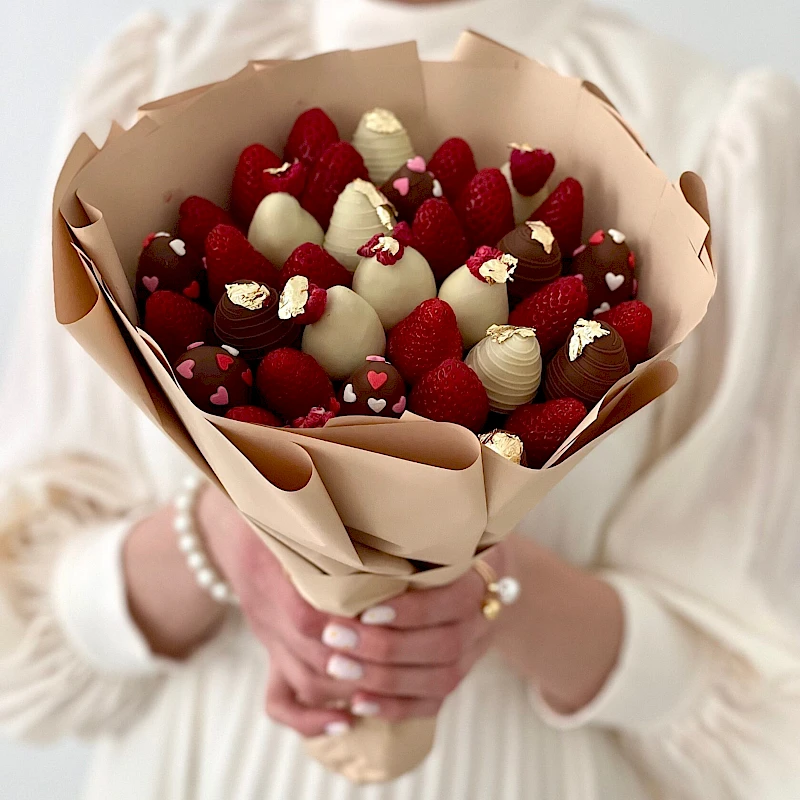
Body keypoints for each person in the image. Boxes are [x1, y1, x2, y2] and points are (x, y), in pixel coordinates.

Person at [1, 0, 799, 797]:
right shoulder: (151, 78)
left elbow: (760, 710)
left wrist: (497, 596)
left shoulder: (707, 134)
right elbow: (27, 652)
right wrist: (218, 542)